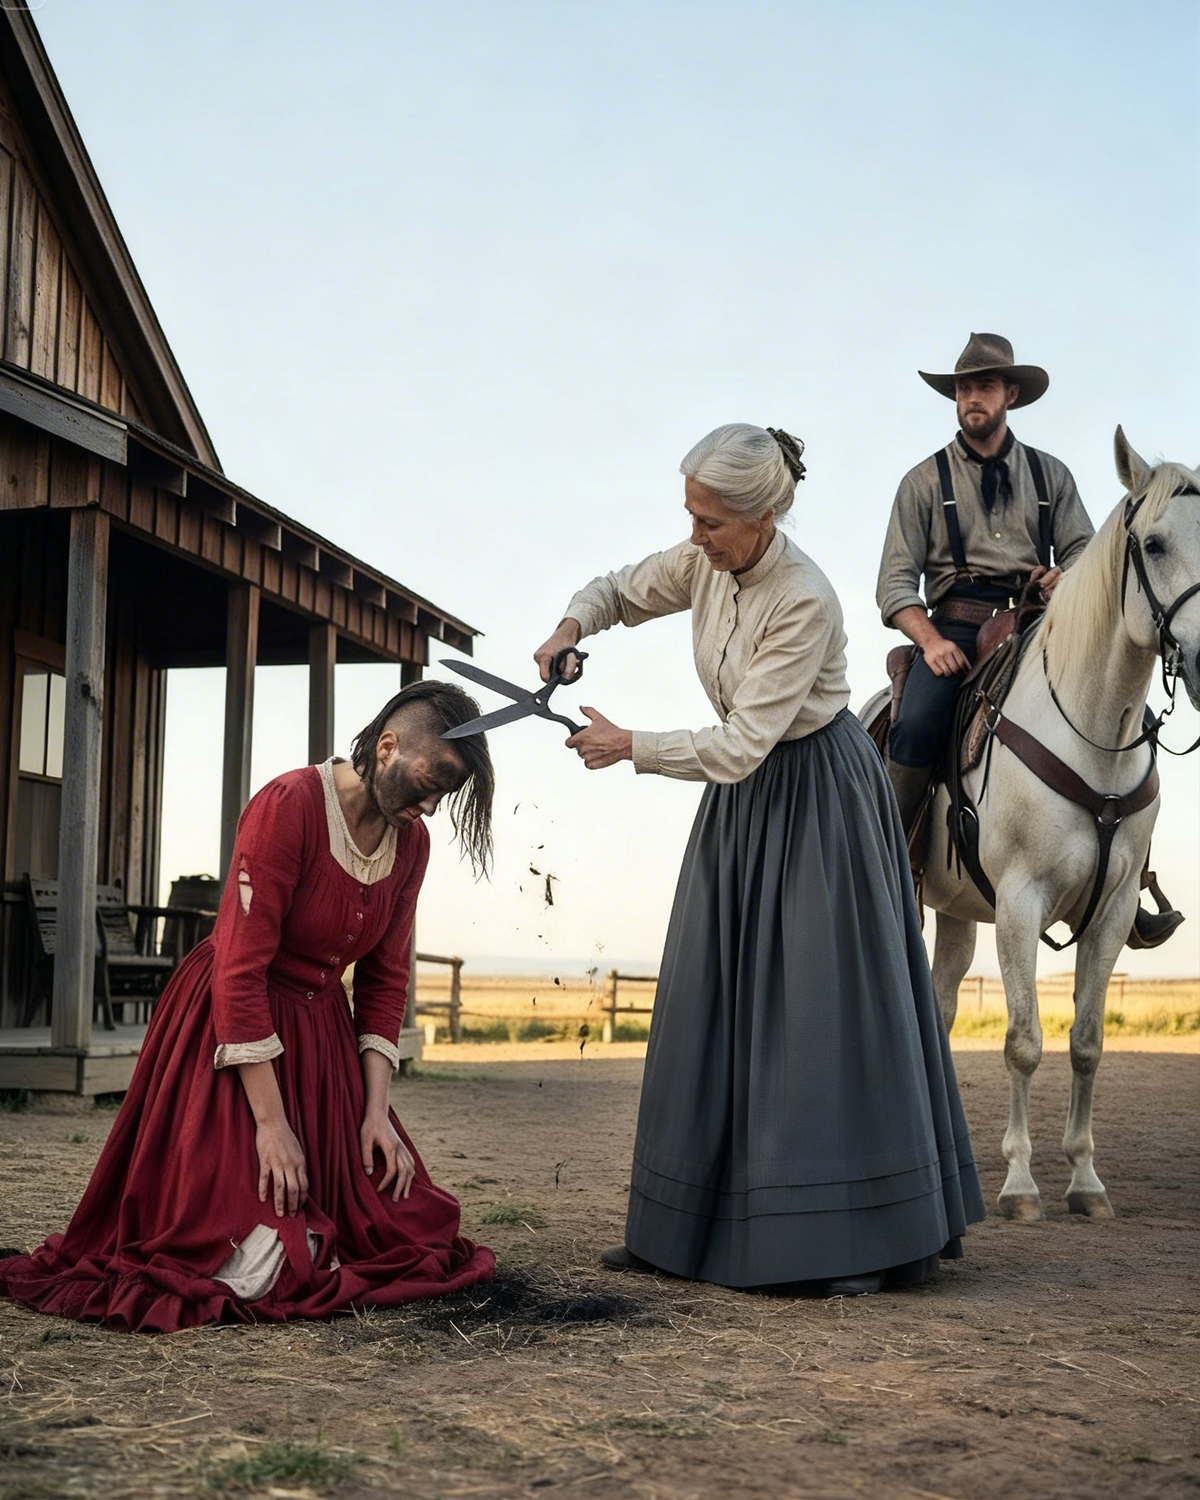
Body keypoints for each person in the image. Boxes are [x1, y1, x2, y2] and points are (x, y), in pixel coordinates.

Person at [534, 423, 984, 1295]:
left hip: (816, 796)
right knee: (708, 995)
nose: (695, 537)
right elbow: (620, 589)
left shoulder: (804, 598)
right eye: (691, 517)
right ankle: (681, 1228)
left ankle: (836, 1242)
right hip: (740, 802)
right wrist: (569, 627)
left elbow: (745, 742)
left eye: (711, 523)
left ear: (765, 516)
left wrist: (630, 745)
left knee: (812, 1009)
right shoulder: (705, 558)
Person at [0, 682, 496, 1332]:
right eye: (431, 782)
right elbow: (239, 970)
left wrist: (376, 1114)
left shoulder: (413, 844)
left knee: (402, 1223)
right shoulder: (289, 805)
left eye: (446, 793)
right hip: (229, 1031)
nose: (430, 805)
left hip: (321, 1043)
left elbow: (384, 981)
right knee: (266, 1258)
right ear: (386, 747)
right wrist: (271, 1124)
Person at [877, 330, 1182, 946]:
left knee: (1133, 720)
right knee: (915, 725)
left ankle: (1127, 882)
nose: (972, 398)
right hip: (955, 626)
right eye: (963, 389)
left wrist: (1064, 575)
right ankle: (888, 866)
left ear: (1009, 395)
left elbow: (1087, 555)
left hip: (1040, 620)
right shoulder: (922, 481)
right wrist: (930, 641)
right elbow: (894, 585)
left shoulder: (1051, 475)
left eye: (985, 386)